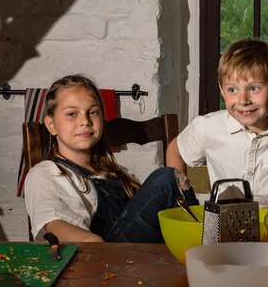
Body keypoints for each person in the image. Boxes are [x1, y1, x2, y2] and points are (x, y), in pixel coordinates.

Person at [25, 74, 197, 242]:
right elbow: (55, 225)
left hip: (145, 254)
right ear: (51, 125)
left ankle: (198, 248)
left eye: (93, 112)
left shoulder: (117, 173)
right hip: (103, 256)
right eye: (72, 114)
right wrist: (94, 245)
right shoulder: (46, 172)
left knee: (172, 186)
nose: (85, 121)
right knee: (166, 179)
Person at [166, 38, 268, 209]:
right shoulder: (207, 127)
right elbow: (175, 152)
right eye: (232, 90)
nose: (243, 100)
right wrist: (186, 201)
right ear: (221, 90)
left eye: (254, 88)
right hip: (225, 230)